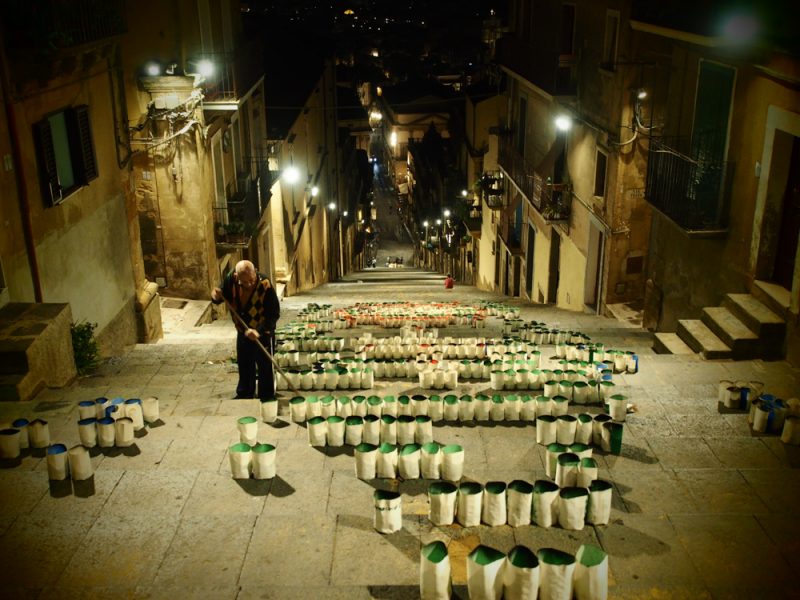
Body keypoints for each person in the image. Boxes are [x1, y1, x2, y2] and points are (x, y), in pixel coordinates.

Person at [211, 260, 280, 400]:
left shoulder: (265, 284)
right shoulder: (231, 279)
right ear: (237, 276)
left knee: (264, 364)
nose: (248, 284)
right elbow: (218, 296)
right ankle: (244, 393)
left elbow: (274, 314)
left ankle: (266, 396)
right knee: (244, 362)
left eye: (251, 280)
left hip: (263, 331)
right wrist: (215, 295)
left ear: (255, 271)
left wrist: (259, 331)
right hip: (242, 329)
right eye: (244, 282)